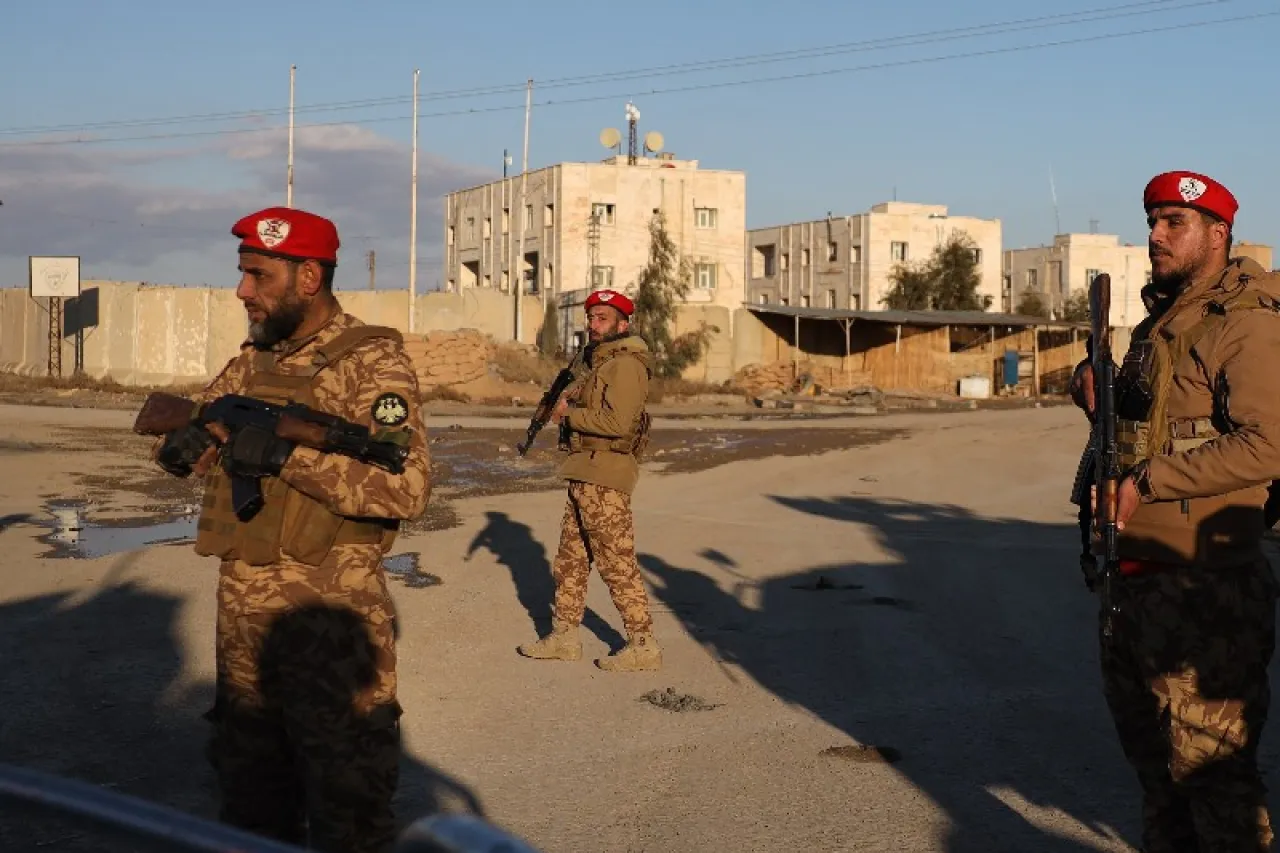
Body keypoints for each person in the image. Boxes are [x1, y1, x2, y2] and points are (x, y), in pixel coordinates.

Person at [150, 206, 432, 853]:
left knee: (349, 811)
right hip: (243, 623)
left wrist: (285, 457)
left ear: (308, 278)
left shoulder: (373, 364)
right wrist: (183, 444)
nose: (242, 290)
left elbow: (406, 488)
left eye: (258, 276)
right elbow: (196, 436)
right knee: (249, 803)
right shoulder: (252, 362)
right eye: (243, 273)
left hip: (330, 625)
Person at [1070, 172, 1280, 851]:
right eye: (1153, 222)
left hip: (1204, 588)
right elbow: (1147, 420)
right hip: (1134, 579)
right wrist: (1092, 385)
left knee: (1215, 783)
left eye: (1174, 222)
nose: (1155, 235)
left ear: (1218, 235)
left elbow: (1269, 442)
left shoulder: (1246, 322)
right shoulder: (1164, 320)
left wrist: (1148, 480)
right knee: (1159, 780)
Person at [516, 288, 661, 672]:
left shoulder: (626, 365)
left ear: (622, 325)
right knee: (571, 561)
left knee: (616, 561)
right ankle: (564, 637)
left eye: (603, 319)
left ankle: (643, 645)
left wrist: (569, 415)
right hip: (584, 469)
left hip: (606, 475)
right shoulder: (597, 364)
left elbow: (618, 423)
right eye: (591, 318)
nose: (594, 325)